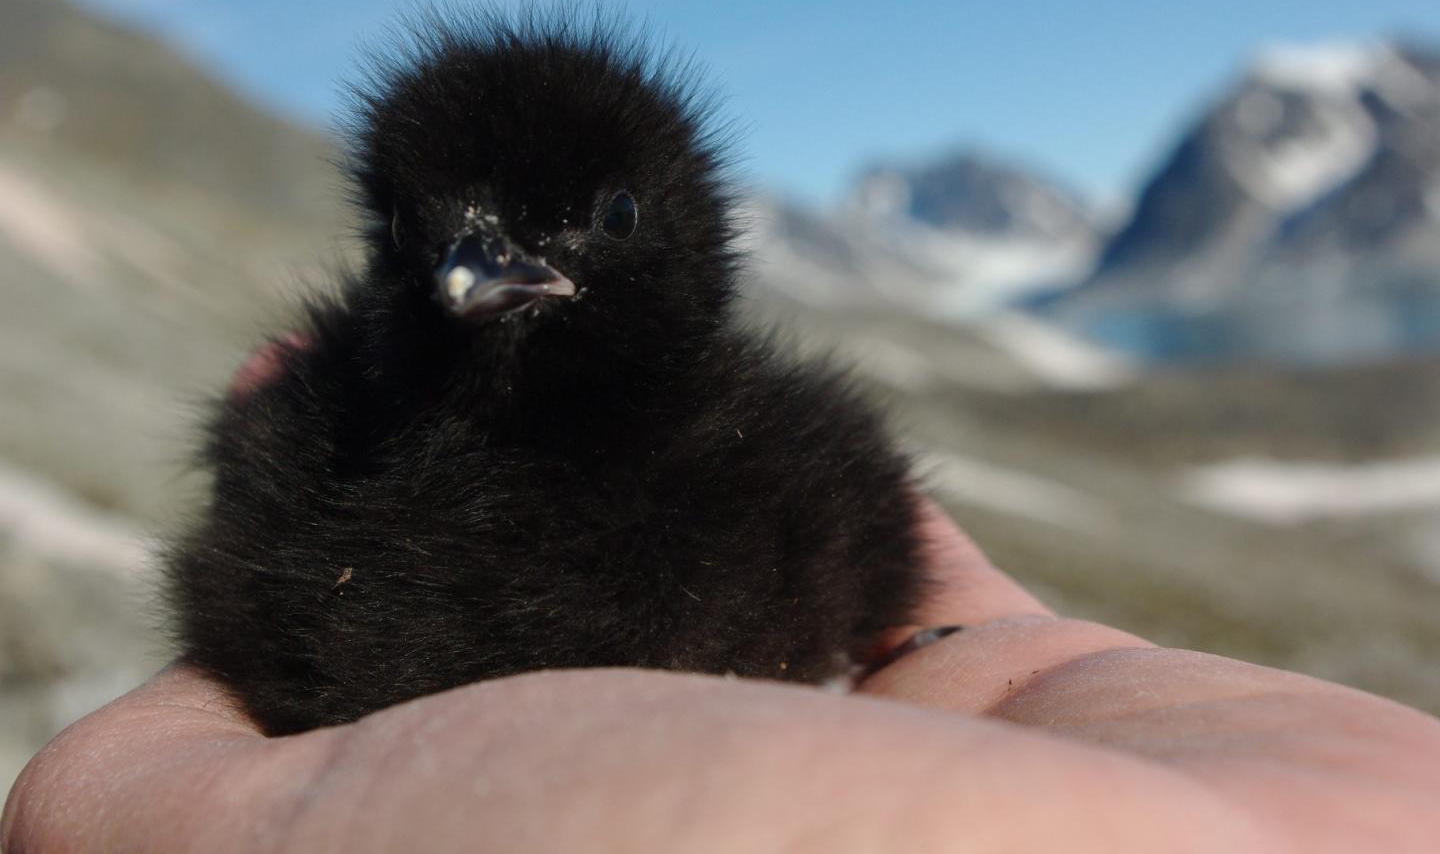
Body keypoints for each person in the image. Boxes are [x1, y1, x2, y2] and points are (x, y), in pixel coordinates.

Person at [4, 495, 1438, 853]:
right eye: (435, 227)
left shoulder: (770, 474)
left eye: (605, 218)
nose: (477, 258)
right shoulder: (344, 478)